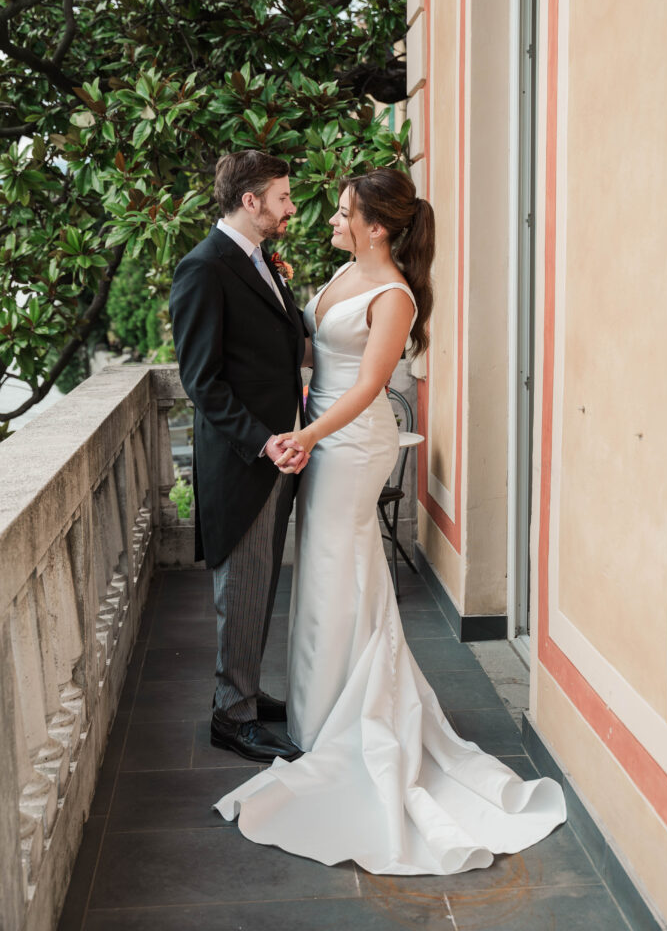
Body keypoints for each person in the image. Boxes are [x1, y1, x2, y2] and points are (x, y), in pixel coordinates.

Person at [214, 167, 566, 875]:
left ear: (377, 226)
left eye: (344, 213)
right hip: (320, 434)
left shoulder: (394, 294)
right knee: (325, 570)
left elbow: (372, 382)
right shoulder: (344, 275)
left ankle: (351, 713)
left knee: (335, 566)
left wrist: (308, 438)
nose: (332, 221)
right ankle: (321, 713)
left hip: (349, 442)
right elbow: (313, 352)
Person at [169, 150, 309, 765]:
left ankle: (246, 691)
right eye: (281, 198)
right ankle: (231, 717)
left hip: (279, 451)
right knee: (243, 587)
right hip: (246, 458)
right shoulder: (203, 268)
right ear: (249, 202)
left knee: (259, 586)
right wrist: (263, 440)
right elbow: (203, 381)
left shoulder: (259, 261)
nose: (290, 208)